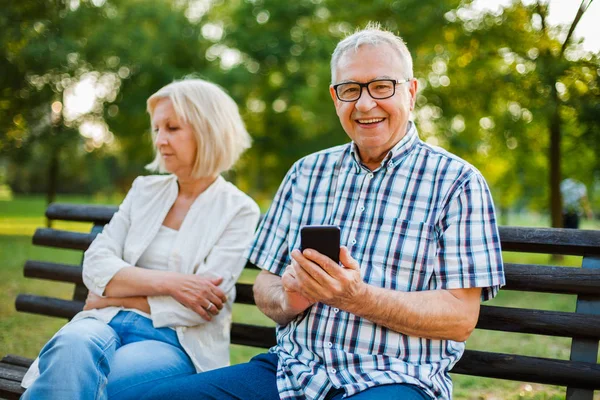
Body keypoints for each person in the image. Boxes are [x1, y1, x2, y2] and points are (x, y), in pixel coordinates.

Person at [141, 23, 505, 400]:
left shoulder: (457, 182)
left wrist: (355, 297)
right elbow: (265, 284)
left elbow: (461, 318)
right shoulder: (305, 172)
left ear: (410, 92)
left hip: (394, 379)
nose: (365, 104)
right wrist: (289, 298)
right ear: (336, 98)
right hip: (289, 372)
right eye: (350, 90)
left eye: (382, 86)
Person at [20, 78, 261, 399]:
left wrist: (114, 294)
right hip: (102, 319)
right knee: (71, 344)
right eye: (156, 129)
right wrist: (172, 284)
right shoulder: (144, 190)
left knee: (84, 380)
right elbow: (96, 264)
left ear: (209, 130)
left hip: (175, 340)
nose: (160, 140)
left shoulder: (238, 209)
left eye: (172, 128)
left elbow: (200, 306)